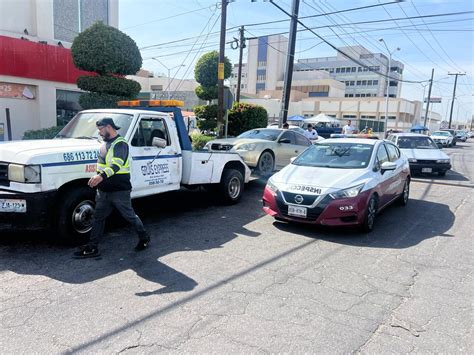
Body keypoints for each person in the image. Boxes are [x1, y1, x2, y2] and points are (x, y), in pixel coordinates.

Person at [73, 118, 150, 258]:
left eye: (101, 129)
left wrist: (100, 177)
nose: (99, 132)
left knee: (130, 216)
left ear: (109, 127)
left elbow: (116, 165)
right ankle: (92, 247)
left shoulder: (120, 144)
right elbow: (103, 165)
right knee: (98, 218)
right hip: (104, 191)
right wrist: (98, 178)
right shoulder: (105, 144)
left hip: (120, 190)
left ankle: (144, 238)